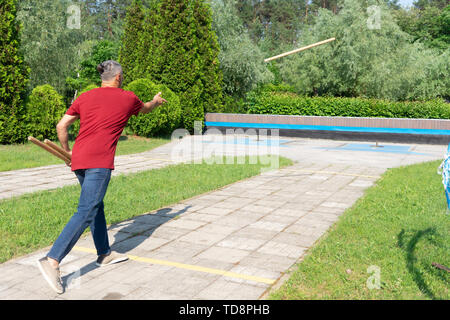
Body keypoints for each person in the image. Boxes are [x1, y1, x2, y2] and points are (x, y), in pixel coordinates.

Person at [37, 60, 167, 294]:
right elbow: (146, 108)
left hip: (79, 160)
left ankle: (104, 254)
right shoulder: (128, 98)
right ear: (118, 78)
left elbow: (61, 125)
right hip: (99, 162)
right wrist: (156, 102)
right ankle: (52, 260)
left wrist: (67, 152)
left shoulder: (85, 97)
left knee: (96, 206)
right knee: (87, 210)